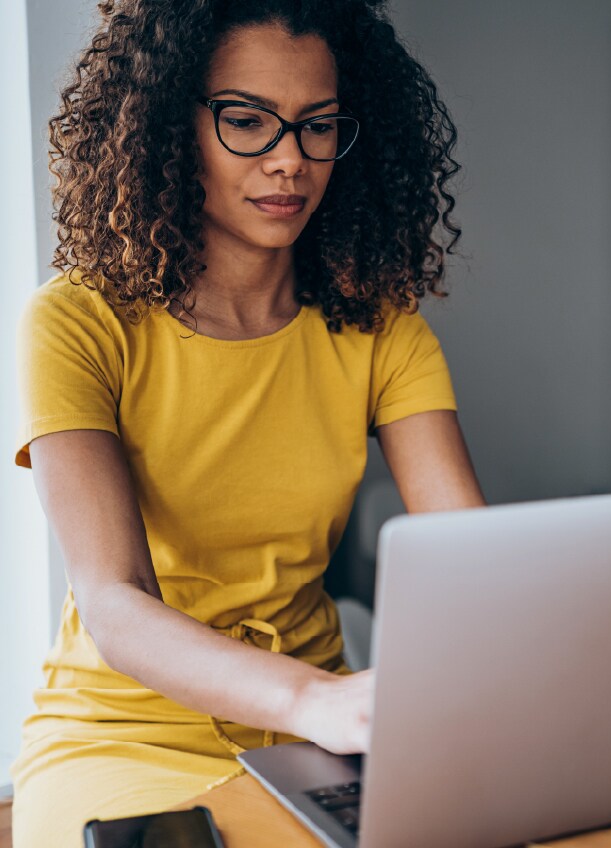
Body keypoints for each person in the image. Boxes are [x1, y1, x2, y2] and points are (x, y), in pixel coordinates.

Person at [10, 0, 486, 844]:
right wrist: (314, 699)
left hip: (316, 739)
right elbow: (114, 602)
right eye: (246, 121)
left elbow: (480, 564)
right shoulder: (78, 322)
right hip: (125, 731)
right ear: (166, 122)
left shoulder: (385, 329)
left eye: (318, 127)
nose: (289, 162)